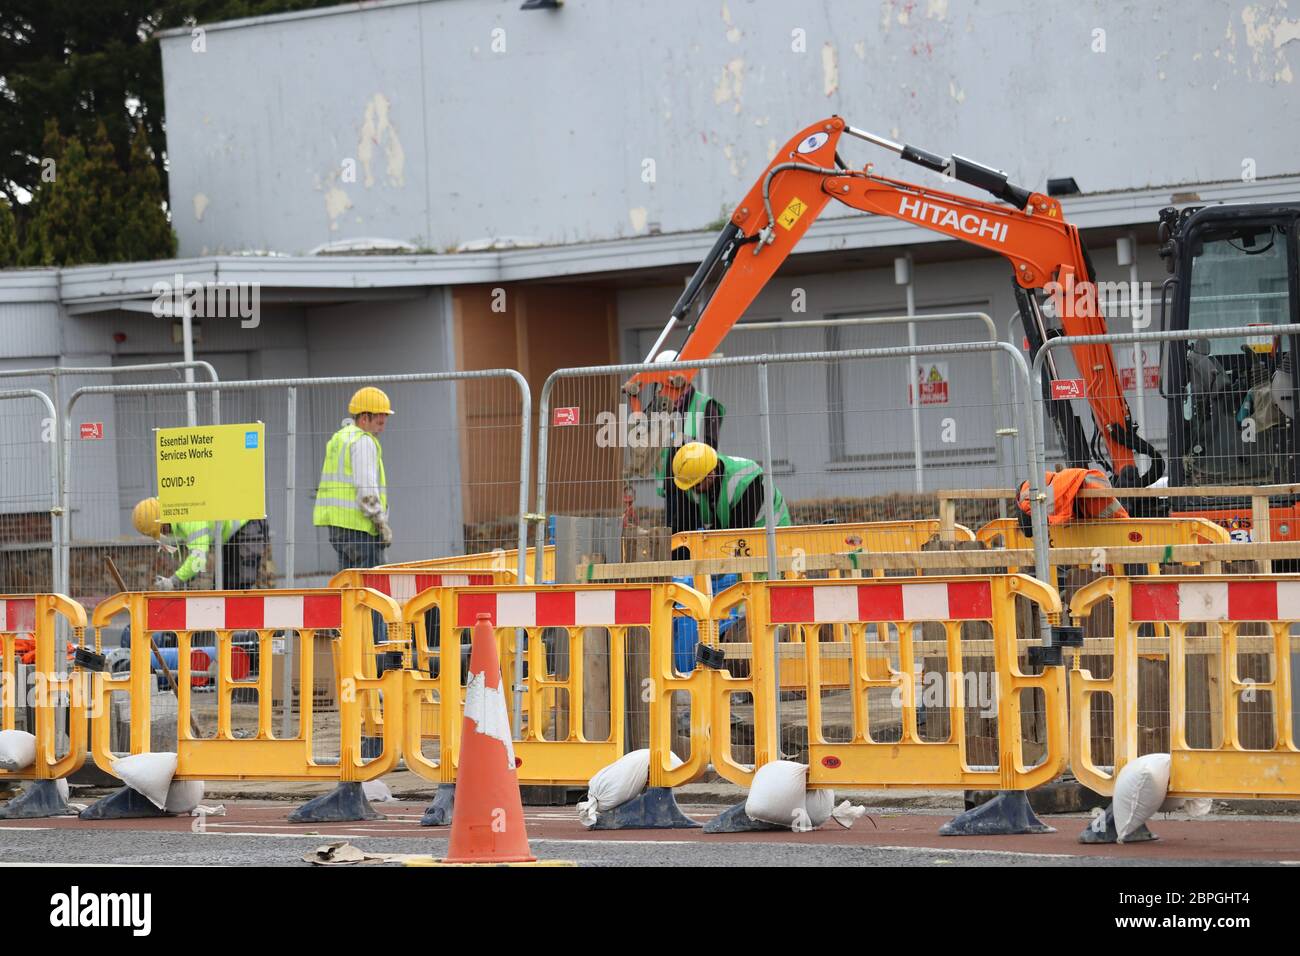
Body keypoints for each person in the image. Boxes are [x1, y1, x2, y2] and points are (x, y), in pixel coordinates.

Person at [314, 386, 394, 570]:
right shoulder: (363, 442)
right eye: (379, 423)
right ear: (365, 418)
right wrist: (380, 522)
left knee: (350, 587)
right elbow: (366, 488)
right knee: (372, 588)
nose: (382, 428)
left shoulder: (340, 438)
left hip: (338, 528)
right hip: (360, 530)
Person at [651, 351, 726, 539]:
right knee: (677, 542)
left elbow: (711, 449)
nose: (661, 388)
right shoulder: (661, 406)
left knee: (700, 541)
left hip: (700, 488)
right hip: (673, 488)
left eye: (663, 382)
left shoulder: (705, 405)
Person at [131, 497, 267, 590]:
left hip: (249, 525)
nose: (164, 534)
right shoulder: (176, 506)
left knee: (236, 586)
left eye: (161, 530)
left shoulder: (189, 518)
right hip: (235, 533)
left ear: (162, 518)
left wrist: (173, 581)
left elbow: (198, 560)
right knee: (223, 587)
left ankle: (252, 630)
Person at [671, 441, 791, 531]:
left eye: (696, 485)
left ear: (711, 474)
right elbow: (683, 528)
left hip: (772, 535)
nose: (692, 490)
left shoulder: (746, 479)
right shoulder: (691, 478)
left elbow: (739, 530)